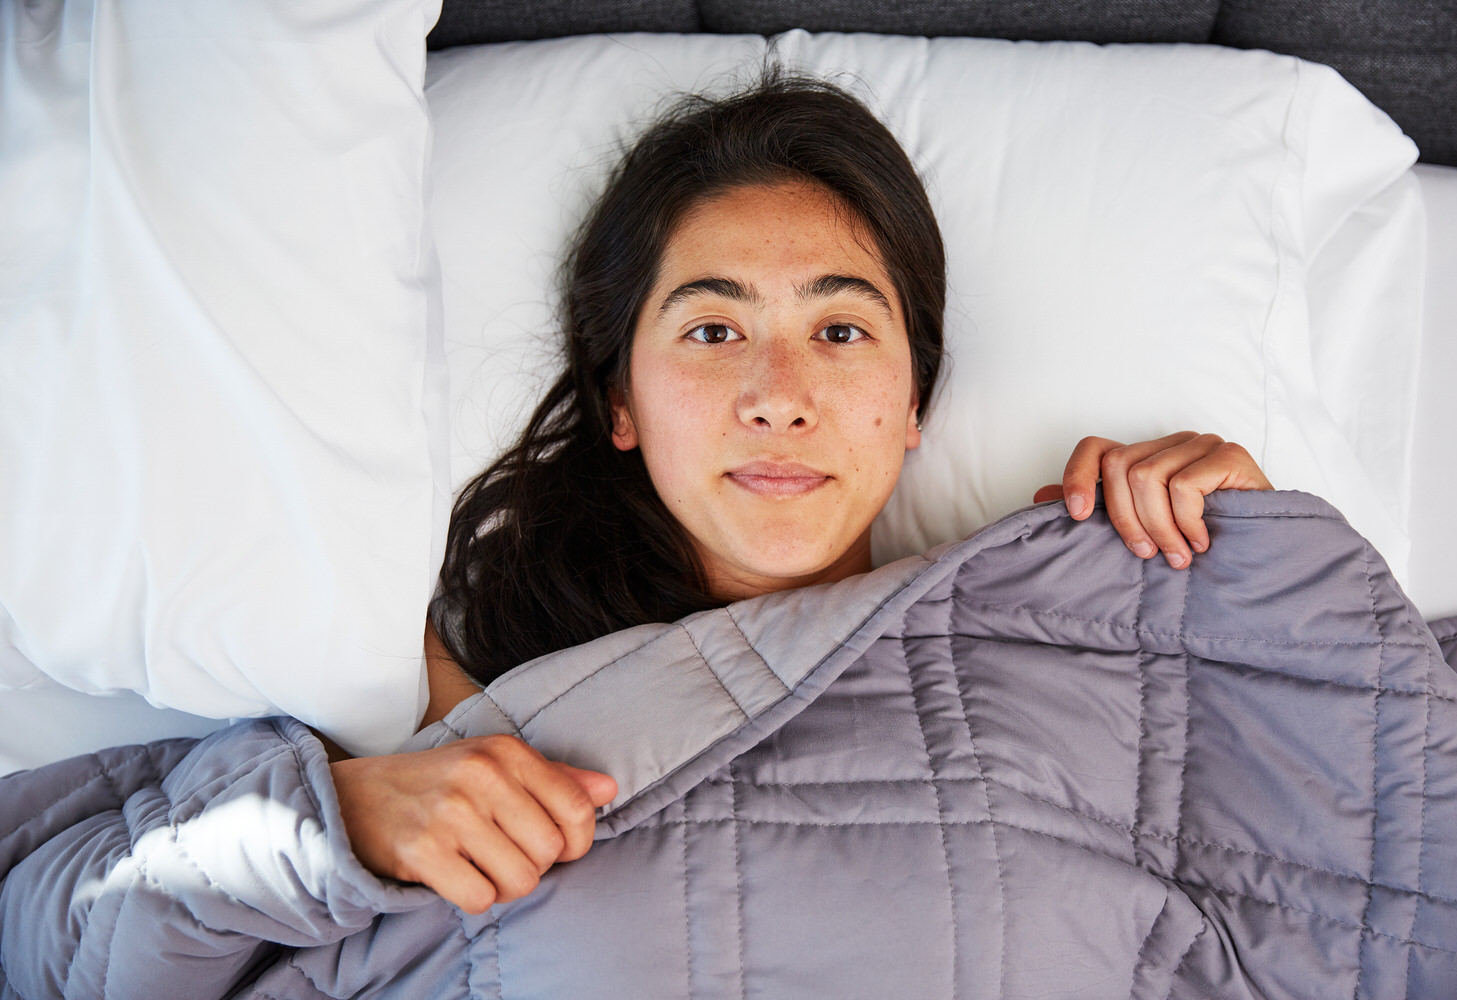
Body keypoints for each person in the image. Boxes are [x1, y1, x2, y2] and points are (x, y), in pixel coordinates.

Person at [324, 71, 1272, 916]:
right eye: (711, 331)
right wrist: (341, 821)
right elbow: (191, 886)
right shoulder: (453, 665)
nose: (778, 398)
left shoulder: (1062, 633)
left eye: (842, 332)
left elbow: (1333, 864)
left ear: (914, 401)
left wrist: (1262, 578)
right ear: (622, 403)